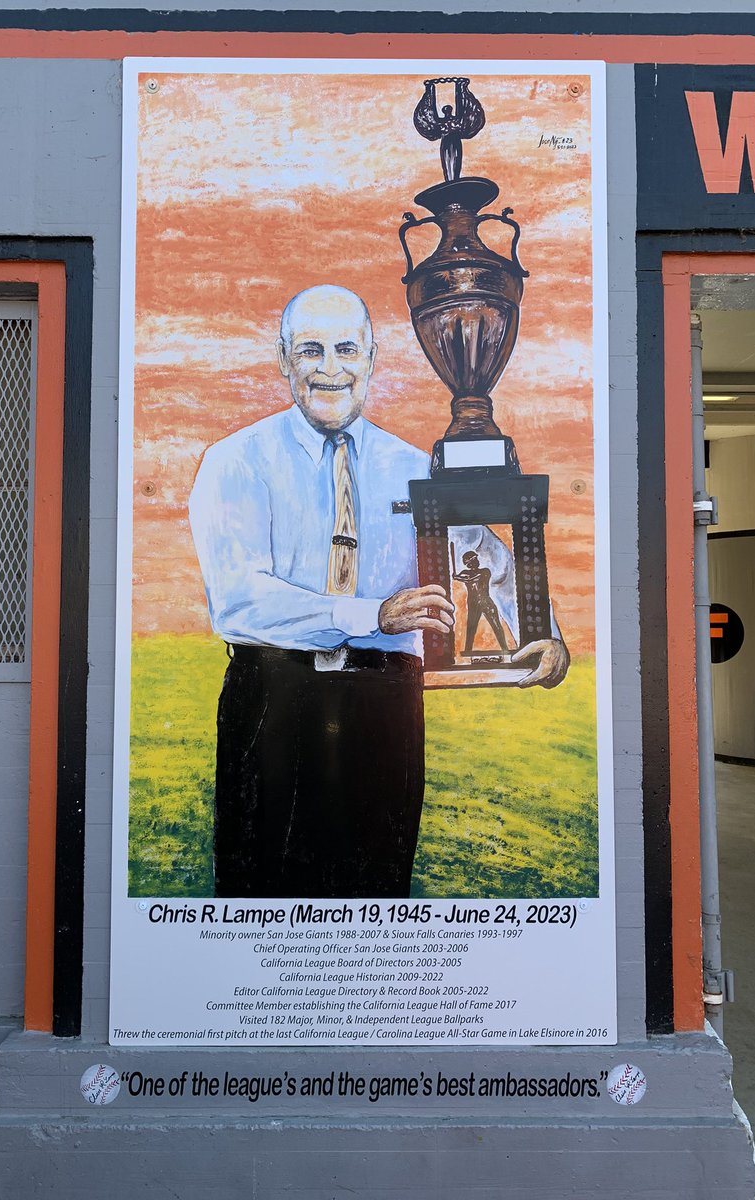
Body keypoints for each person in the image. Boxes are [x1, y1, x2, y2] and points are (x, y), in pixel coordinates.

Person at [188, 284, 568, 899]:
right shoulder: (236, 462)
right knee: (260, 889)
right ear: (284, 359)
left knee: (377, 884)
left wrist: (544, 633)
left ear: (371, 357)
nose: (330, 368)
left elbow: (489, 557)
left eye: (346, 348)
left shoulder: (415, 467)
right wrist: (374, 614)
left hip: (384, 704)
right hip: (273, 698)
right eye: (310, 350)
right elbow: (239, 598)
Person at [453, 550, 509, 655]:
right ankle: (468, 651)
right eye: (474, 559)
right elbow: (466, 577)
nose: (477, 561)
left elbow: (472, 579)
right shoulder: (465, 573)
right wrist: (457, 577)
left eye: (476, 559)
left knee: (496, 625)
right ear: (468, 563)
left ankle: (505, 649)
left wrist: (457, 577)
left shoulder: (485, 571)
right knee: (471, 627)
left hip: (486, 601)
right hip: (473, 603)